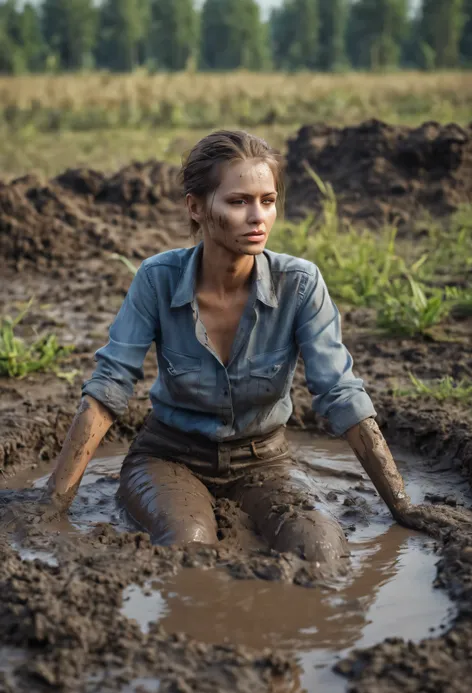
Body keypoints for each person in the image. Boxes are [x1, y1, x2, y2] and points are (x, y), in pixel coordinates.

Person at [16, 130, 422, 566]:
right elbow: (109, 386)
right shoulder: (157, 279)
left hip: (266, 460)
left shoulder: (300, 285)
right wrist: (53, 502)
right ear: (196, 207)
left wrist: (402, 505)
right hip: (171, 457)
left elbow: (340, 393)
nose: (258, 217)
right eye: (238, 201)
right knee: (188, 546)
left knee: (320, 550)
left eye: (268, 201)